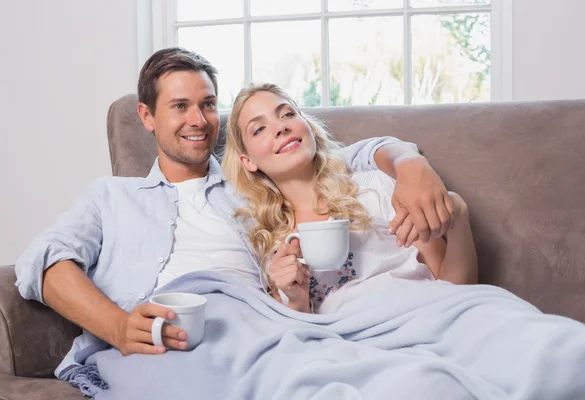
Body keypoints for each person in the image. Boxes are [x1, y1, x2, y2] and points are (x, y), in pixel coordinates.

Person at [14, 48, 455, 378]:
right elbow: (43, 260)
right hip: (157, 335)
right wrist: (117, 327)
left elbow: (334, 157)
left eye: (208, 104)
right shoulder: (109, 197)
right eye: (180, 106)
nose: (200, 120)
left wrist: (408, 161)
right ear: (147, 117)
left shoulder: (253, 185)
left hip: (254, 327)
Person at [222, 83, 478, 313]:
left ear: (307, 125)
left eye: (287, 114)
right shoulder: (269, 247)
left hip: (427, 320)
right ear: (248, 161)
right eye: (259, 129)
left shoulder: (378, 187)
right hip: (351, 349)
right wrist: (297, 300)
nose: (281, 127)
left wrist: (459, 218)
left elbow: (455, 292)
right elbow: (301, 344)